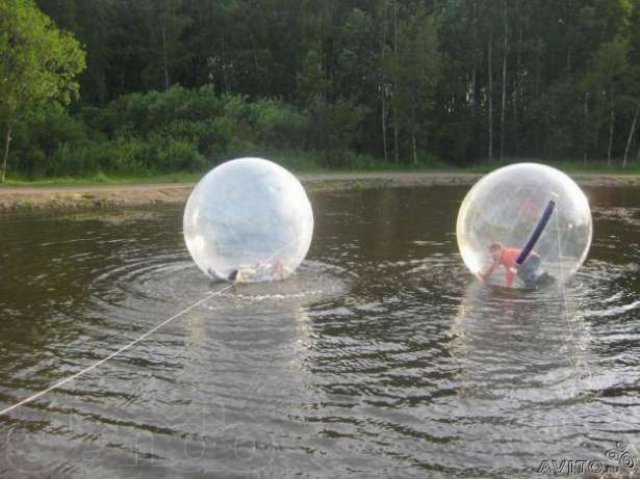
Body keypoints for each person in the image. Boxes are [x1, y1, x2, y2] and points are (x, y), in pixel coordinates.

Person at [479, 242, 554, 289]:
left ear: (500, 249)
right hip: (526, 261)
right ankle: (540, 280)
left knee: (527, 275)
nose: (493, 254)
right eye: (491, 252)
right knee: (523, 275)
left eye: (494, 251)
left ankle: (545, 278)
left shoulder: (506, 255)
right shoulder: (499, 258)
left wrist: (508, 288)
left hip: (532, 258)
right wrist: (484, 276)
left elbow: (511, 272)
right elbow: (492, 267)